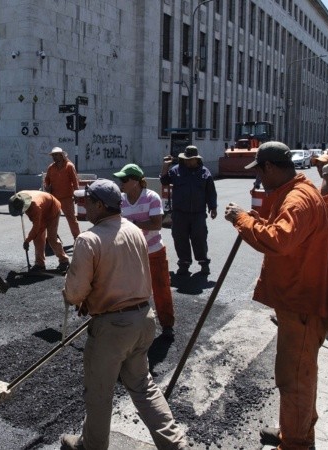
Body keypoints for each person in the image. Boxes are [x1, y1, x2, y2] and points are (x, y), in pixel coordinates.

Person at [60, 179, 188, 450]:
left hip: (113, 327)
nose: (83, 206)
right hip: (143, 319)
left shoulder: (89, 239)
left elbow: (73, 293)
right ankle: (175, 445)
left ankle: (91, 447)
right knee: (143, 387)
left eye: (86, 201)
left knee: (99, 393)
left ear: (98, 205)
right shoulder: (132, 230)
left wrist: (76, 294)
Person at [223, 141, 328, 450]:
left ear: (270, 167)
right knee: (301, 374)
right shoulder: (295, 192)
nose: (259, 179)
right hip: (299, 301)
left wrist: (242, 220)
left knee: (294, 378)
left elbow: (279, 240)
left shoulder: (297, 199)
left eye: (259, 171)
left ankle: (296, 443)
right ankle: (294, 431)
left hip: (302, 303)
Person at [114, 163, 176, 337]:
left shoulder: (151, 197)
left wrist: (132, 225)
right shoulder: (121, 200)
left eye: (124, 179)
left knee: (160, 288)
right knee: (131, 288)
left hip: (154, 251)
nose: (121, 182)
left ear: (136, 181)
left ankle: (167, 325)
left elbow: (156, 224)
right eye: (121, 179)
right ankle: (134, 323)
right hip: (131, 252)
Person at [159, 145, 218, 276]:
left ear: (197, 159)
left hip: (198, 214)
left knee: (200, 239)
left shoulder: (205, 173)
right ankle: (184, 264)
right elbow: (164, 181)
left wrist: (213, 207)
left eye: (190, 159)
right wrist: (165, 166)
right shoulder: (176, 171)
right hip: (179, 213)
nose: (188, 161)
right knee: (180, 239)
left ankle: (204, 264)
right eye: (186, 159)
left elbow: (210, 192)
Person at [8, 190, 70, 272]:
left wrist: (27, 240)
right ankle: (40, 264)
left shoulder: (35, 207)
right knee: (38, 239)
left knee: (52, 238)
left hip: (52, 209)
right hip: (43, 207)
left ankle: (64, 261)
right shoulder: (19, 197)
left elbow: (36, 227)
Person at [43, 147, 81, 240]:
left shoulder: (69, 166)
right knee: (52, 219)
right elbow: (46, 180)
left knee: (71, 219)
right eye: (53, 155)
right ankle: (52, 238)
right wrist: (47, 187)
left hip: (67, 198)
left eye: (56, 155)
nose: (54, 157)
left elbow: (75, 181)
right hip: (54, 198)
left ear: (61, 155)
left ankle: (77, 237)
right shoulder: (51, 167)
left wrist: (76, 194)